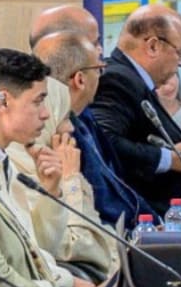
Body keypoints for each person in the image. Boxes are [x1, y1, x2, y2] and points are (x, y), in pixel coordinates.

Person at [33, 28, 156, 231]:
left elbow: (118, 188)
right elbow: (100, 207)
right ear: (80, 79)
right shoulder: (58, 134)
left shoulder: (83, 119)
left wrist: (154, 224)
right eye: (99, 69)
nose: (102, 76)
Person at [0, 50, 76, 287]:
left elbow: (35, 253)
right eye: (38, 101)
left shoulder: (3, 164)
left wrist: (51, 194)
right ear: (0, 102)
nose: (46, 113)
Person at [89, 4, 181, 216]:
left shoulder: (135, 80)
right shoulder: (117, 79)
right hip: (141, 218)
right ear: (152, 46)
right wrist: (170, 159)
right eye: (179, 52)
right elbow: (105, 141)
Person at [7, 78, 116, 284]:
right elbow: (74, 246)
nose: (70, 128)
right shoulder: (15, 168)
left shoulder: (50, 161)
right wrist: (70, 180)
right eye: (65, 117)